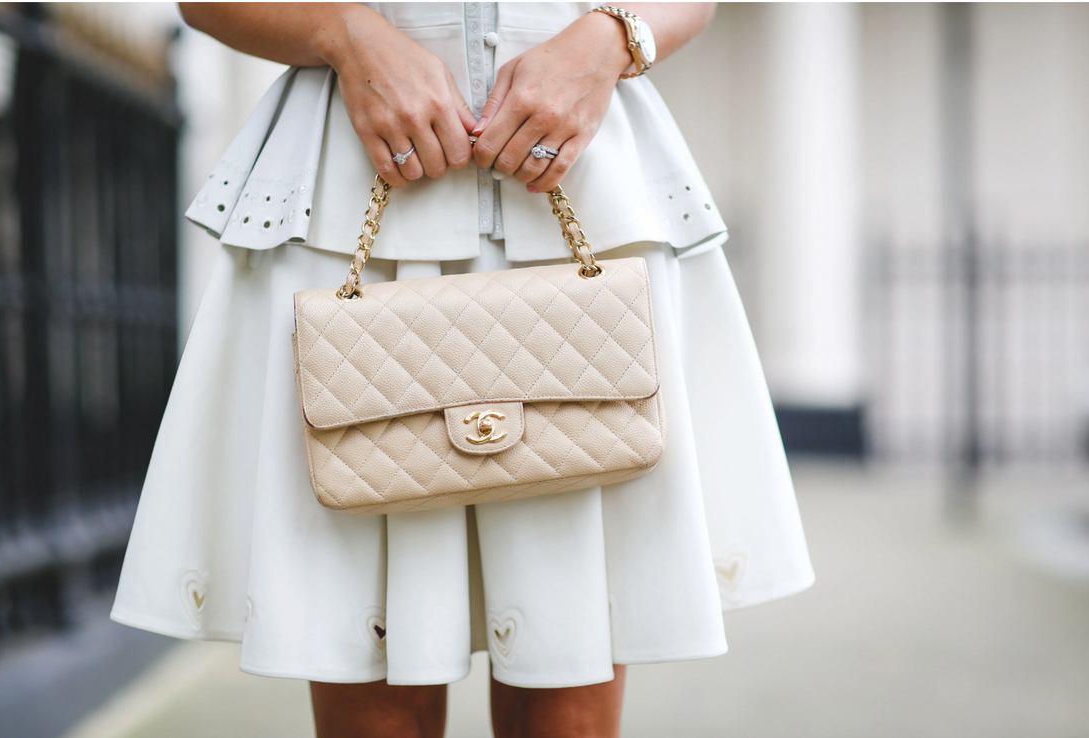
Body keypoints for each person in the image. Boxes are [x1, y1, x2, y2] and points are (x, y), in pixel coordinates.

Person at [111, 3, 816, 737]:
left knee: (570, 704)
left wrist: (609, 40)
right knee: (375, 699)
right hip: (356, 181)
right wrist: (347, 35)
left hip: (578, 166)